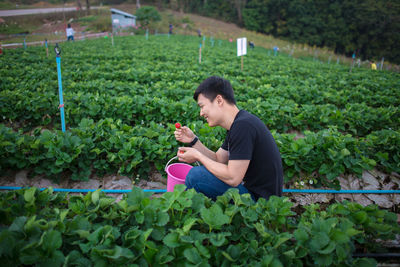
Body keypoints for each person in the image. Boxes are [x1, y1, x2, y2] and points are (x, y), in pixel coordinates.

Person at [174, 76, 283, 201]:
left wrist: (198, 156)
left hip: (261, 202)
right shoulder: (238, 124)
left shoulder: (243, 126)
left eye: (202, 106)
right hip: (251, 191)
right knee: (200, 174)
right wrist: (193, 141)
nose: (201, 113)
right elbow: (218, 159)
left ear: (219, 100)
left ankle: (189, 209)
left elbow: (233, 177)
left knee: (196, 176)